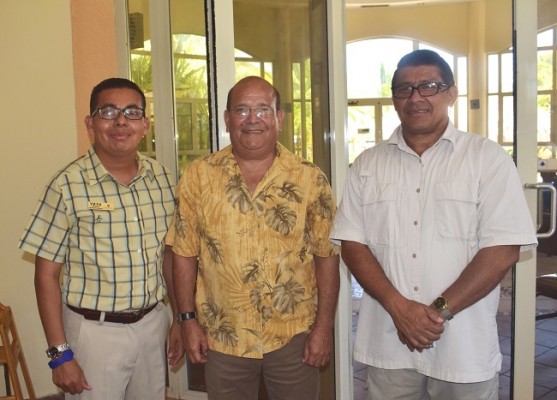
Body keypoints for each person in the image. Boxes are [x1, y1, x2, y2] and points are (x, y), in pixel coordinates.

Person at [330, 49, 538, 400]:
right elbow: (352, 244)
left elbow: (503, 249)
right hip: (388, 345)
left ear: (451, 94)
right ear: (394, 100)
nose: (415, 97)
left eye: (428, 86)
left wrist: (436, 312)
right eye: (404, 89)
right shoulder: (367, 165)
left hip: (464, 352)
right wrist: (399, 308)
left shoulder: (486, 159)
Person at [168, 76, 340, 400]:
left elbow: (326, 256)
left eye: (263, 109)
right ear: (227, 118)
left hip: (293, 337)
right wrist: (186, 319)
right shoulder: (198, 175)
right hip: (224, 337)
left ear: (279, 117)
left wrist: (323, 328)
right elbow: (183, 252)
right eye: (242, 109)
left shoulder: (309, 177)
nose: (252, 119)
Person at [19, 78, 184, 399]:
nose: (121, 121)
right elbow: (46, 276)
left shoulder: (162, 179)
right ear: (90, 123)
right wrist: (60, 354)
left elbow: (167, 255)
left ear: (145, 125)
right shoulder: (67, 185)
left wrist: (177, 317)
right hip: (94, 333)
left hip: (152, 323)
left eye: (132, 112)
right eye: (108, 111)